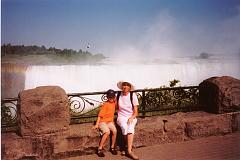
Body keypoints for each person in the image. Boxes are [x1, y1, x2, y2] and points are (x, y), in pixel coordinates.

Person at [116, 81, 139, 160]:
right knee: (124, 126)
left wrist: (132, 117)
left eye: (127, 85)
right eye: (124, 85)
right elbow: (114, 106)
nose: (125, 87)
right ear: (122, 86)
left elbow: (136, 112)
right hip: (121, 117)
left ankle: (129, 151)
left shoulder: (133, 95)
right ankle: (128, 147)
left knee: (130, 126)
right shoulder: (118, 95)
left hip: (131, 116)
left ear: (130, 87)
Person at [92, 89, 118, 157]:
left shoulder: (114, 103)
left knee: (115, 131)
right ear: (107, 97)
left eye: (112, 97)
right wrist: (97, 124)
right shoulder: (105, 105)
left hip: (109, 122)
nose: (111, 99)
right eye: (110, 97)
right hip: (102, 122)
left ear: (114, 97)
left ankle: (112, 147)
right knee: (107, 132)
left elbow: (118, 104)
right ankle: (99, 149)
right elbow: (100, 116)